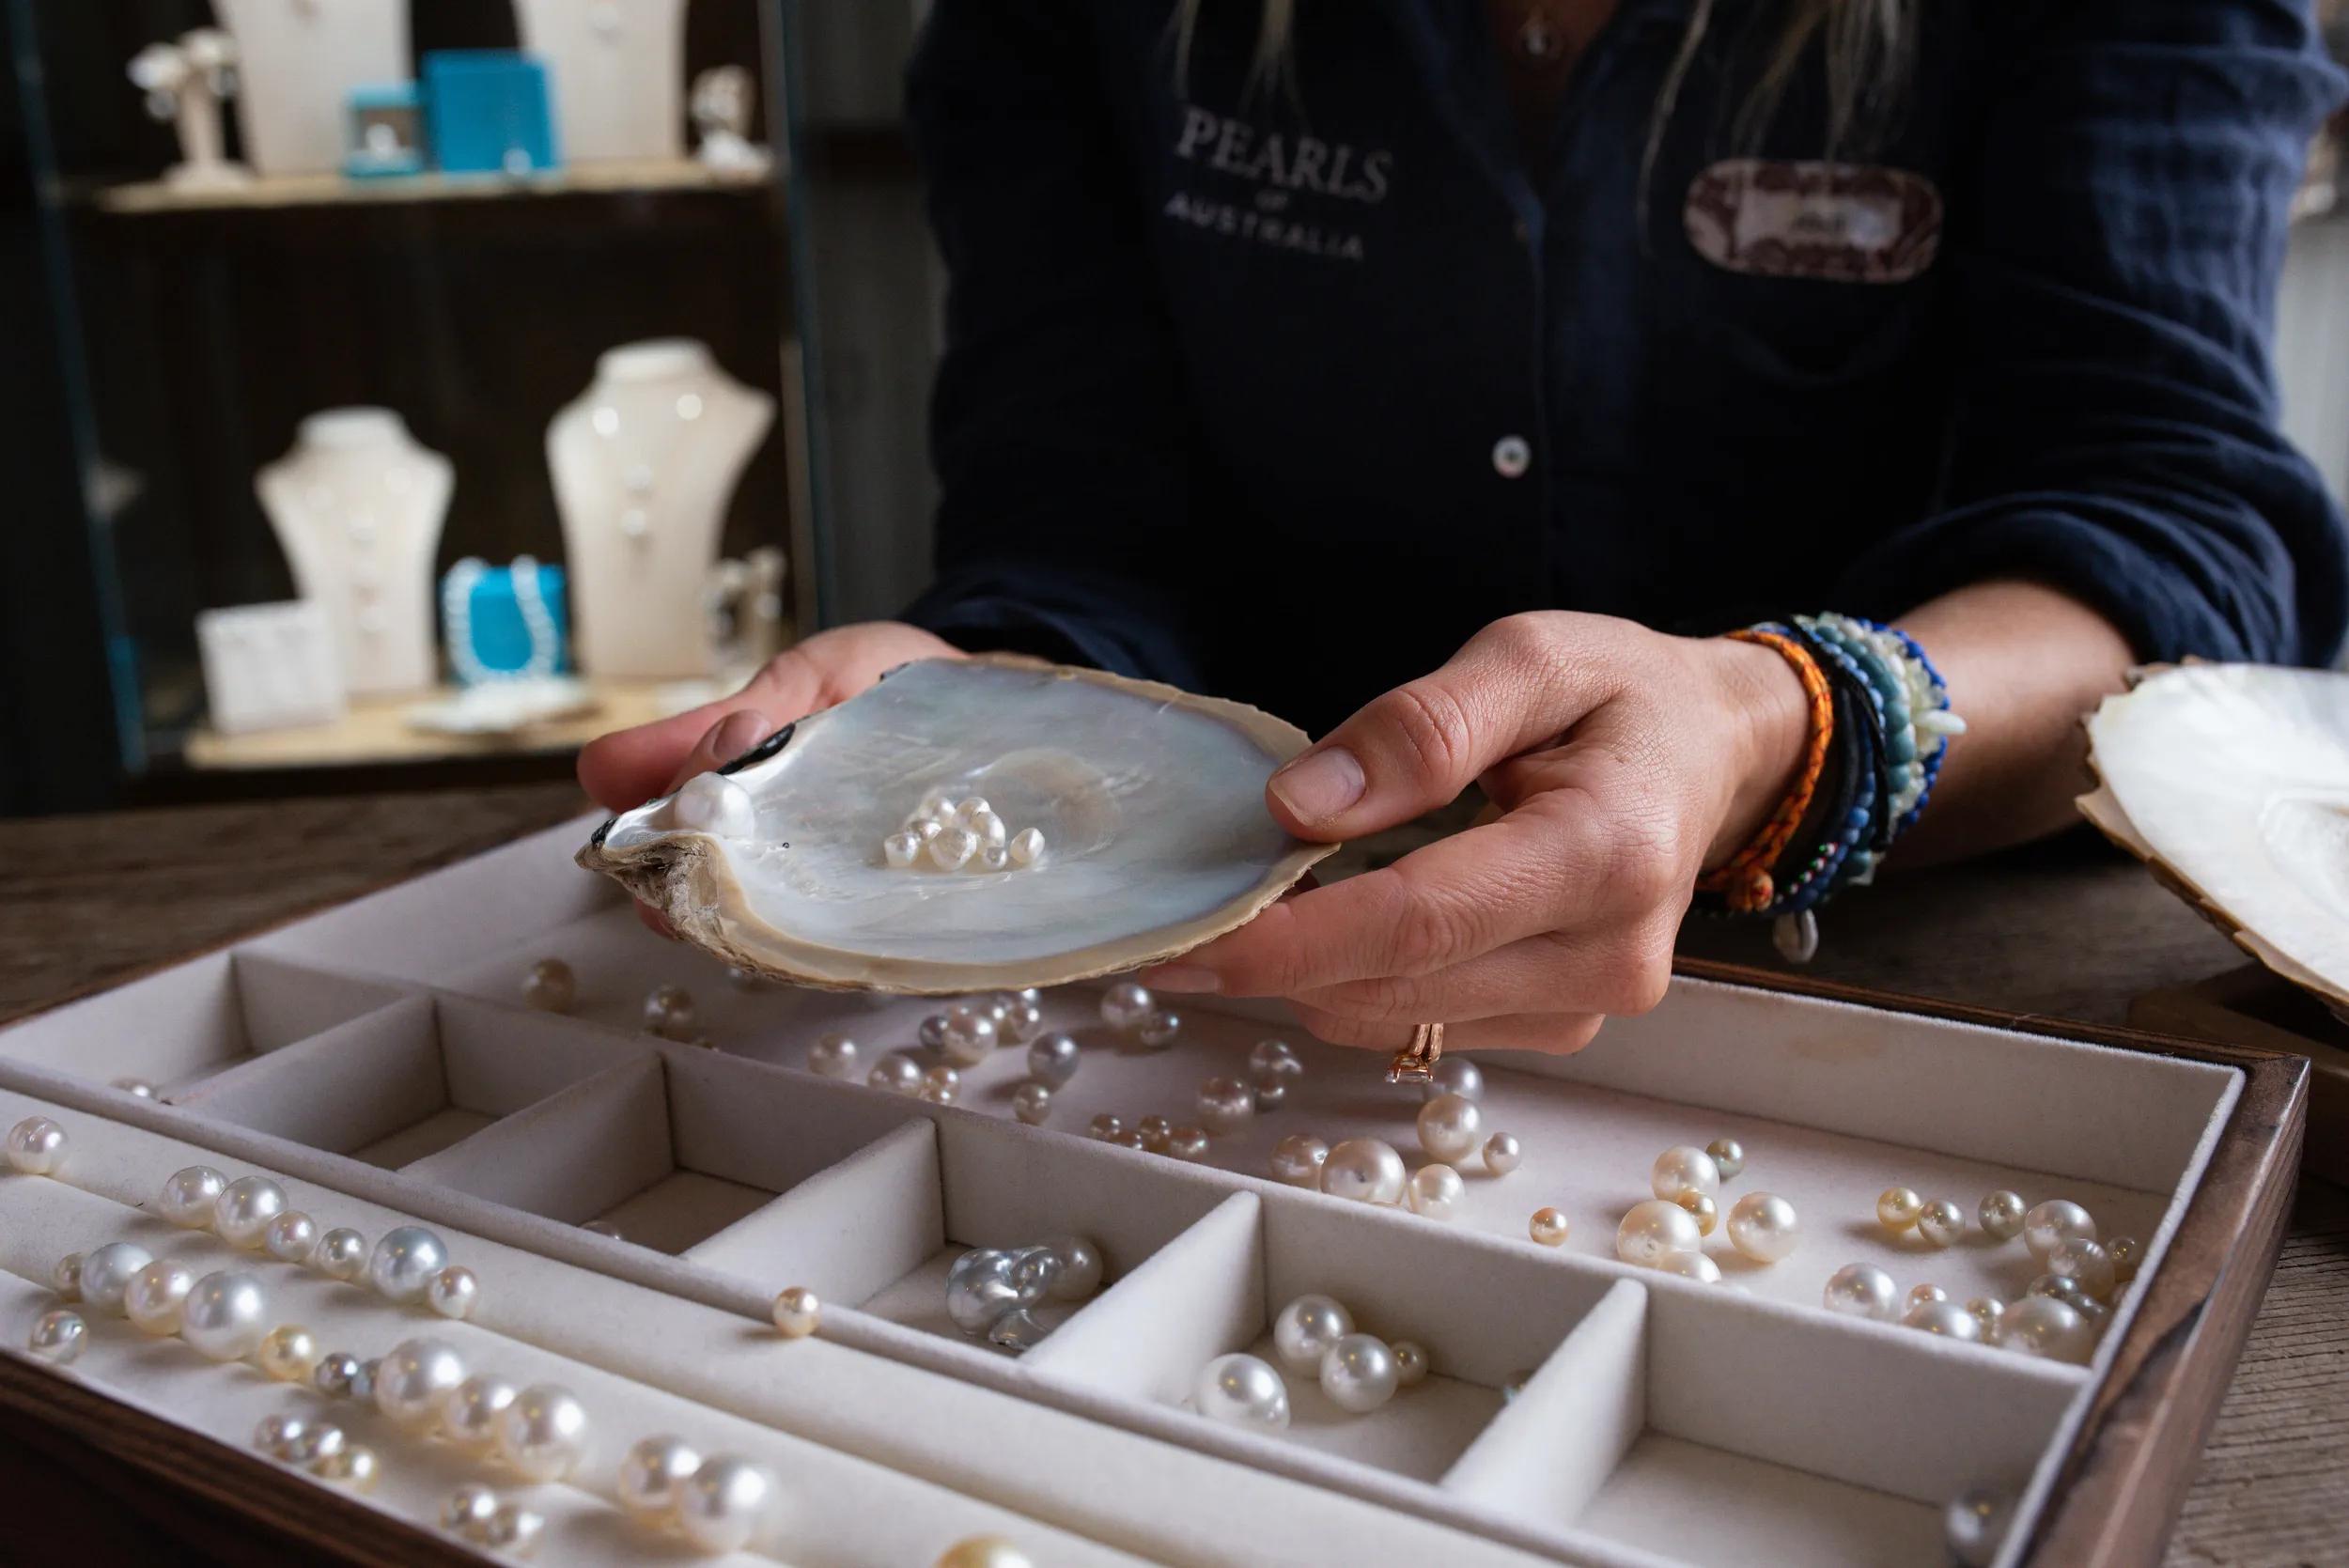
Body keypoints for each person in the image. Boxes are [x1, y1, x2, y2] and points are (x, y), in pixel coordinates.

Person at [581, 0, 2349, 1056]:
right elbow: (1079, 514)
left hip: (1956, 983)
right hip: (1260, 959)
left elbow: (2173, 526)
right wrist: (972, 692)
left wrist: (1778, 726)